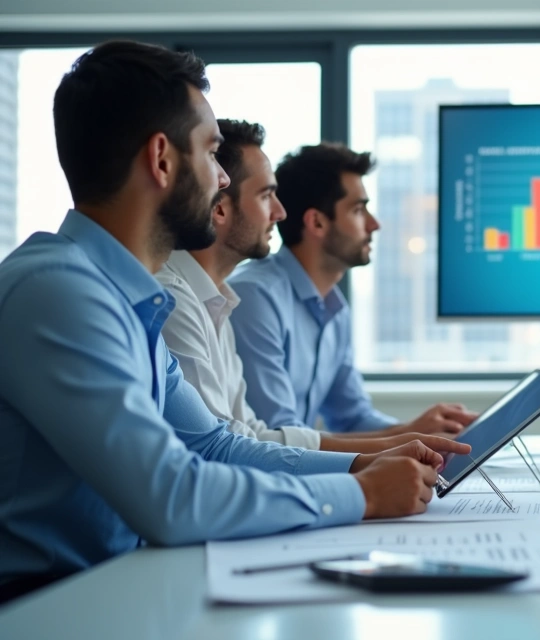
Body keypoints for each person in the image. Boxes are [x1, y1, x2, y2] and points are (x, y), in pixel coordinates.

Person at [0, 41, 468, 603]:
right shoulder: (58, 293)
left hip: (108, 588)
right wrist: (363, 494)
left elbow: (217, 446)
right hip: (44, 604)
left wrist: (363, 464)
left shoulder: (127, 298)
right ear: (162, 160)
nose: (222, 179)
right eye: (211, 152)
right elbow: (171, 495)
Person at [157, 119, 452, 454]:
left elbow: (262, 432)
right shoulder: (247, 297)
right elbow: (243, 442)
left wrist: (412, 439)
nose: (279, 212)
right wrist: (392, 449)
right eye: (358, 210)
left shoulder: (224, 301)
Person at [228, 143, 476, 438]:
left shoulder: (334, 309)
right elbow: (279, 435)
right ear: (317, 222)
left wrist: (430, 432)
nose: (374, 224)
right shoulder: (255, 298)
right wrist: (410, 435)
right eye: (358, 210)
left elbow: (352, 418)